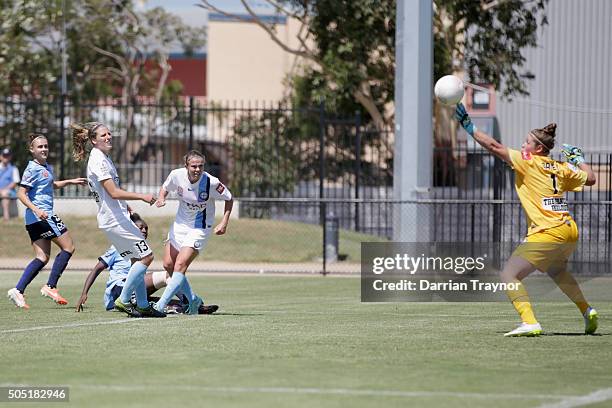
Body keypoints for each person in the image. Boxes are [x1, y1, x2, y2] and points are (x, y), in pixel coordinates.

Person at [454, 103, 598, 337]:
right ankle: (587, 310)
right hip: (569, 231)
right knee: (558, 272)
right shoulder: (561, 167)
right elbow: (591, 178)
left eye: (527, 142)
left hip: (548, 232)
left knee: (509, 275)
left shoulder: (528, 160)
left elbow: (493, 146)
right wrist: (579, 158)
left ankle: (530, 322)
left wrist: (469, 127)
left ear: (538, 148)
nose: (523, 145)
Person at [72, 121, 164, 318]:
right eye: (103, 135)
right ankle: (123, 299)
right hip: (114, 220)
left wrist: (127, 207)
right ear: (93, 140)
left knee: (136, 260)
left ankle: (142, 304)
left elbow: (110, 195)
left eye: (109, 134)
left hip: (114, 218)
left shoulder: (103, 157)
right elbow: (113, 192)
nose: (108, 137)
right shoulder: (98, 160)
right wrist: (142, 196)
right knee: (147, 257)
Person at [76, 213, 218, 314]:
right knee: (167, 276)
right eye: (140, 228)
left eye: (146, 228)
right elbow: (97, 269)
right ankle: (192, 302)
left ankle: (193, 306)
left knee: (169, 300)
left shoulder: (142, 249)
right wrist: (84, 293)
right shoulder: (118, 246)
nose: (144, 230)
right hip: (118, 289)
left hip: (138, 289)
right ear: (131, 229)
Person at [7, 134, 87, 309]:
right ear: (32, 150)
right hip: (43, 216)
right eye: (40, 147)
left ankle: (18, 290)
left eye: (45, 146)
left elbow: (50, 184)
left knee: (42, 257)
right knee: (69, 247)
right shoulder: (32, 169)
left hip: (33, 220)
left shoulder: (44, 167)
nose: (44, 149)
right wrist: (37, 209)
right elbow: (21, 193)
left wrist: (70, 181)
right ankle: (50, 286)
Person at [153, 150, 232, 315]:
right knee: (168, 264)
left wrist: (224, 222)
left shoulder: (211, 182)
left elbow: (229, 198)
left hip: (200, 227)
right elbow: (165, 188)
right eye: (194, 166)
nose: (197, 169)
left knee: (180, 265)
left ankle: (160, 306)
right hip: (180, 225)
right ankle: (193, 300)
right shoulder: (176, 175)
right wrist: (161, 198)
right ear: (186, 166)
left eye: (200, 166)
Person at [0, 147, 20, 221]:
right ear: (1, 156)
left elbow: (15, 182)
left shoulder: (14, 169)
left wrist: (4, 190)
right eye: (4, 155)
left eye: (7, 155)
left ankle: (6, 216)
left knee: (5, 193)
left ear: (10, 157)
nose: (6, 157)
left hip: (10, 191)